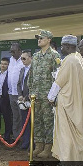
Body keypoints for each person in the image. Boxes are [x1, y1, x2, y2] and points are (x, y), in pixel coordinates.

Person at [48, 35, 83, 166]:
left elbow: (59, 82)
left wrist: (50, 97)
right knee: (76, 136)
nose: (61, 48)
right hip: (77, 103)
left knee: (67, 135)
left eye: (62, 46)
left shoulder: (69, 60)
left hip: (68, 105)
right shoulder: (78, 59)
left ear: (68, 46)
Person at [28, 30, 61, 158]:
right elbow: (31, 76)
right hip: (35, 96)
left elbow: (57, 77)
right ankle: (39, 145)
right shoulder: (35, 56)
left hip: (48, 96)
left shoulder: (54, 55)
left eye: (42, 38)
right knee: (37, 121)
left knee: (48, 122)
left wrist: (53, 96)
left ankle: (48, 147)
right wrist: (31, 92)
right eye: (38, 38)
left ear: (49, 40)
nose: (39, 40)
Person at [7, 42, 24, 142]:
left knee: (22, 116)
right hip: (11, 93)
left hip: (20, 94)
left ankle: (24, 138)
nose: (12, 53)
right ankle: (16, 137)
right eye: (11, 52)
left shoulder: (23, 60)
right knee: (15, 117)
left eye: (13, 51)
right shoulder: (11, 60)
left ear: (19, 51)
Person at [17, 51, 32, 150]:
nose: (22, 60)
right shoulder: (22, 69)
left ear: (30, 58)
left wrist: (26, 97)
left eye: (24, 58)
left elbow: (33, 85)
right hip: (22, 100)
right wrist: (20, 95)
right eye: (21, 58)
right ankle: (25, 142)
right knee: (24, 122)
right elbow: (19, 84)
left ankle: (32, 144)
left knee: (31, 122)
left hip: (31, 99)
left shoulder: (34, 69)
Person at [0, 57, 12, 144]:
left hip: (6, 100)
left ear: (8, 65)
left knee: (7, 119)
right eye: (2, 64)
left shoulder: (10, 75)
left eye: (5, 64)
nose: (3, 65)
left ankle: (7, 137)